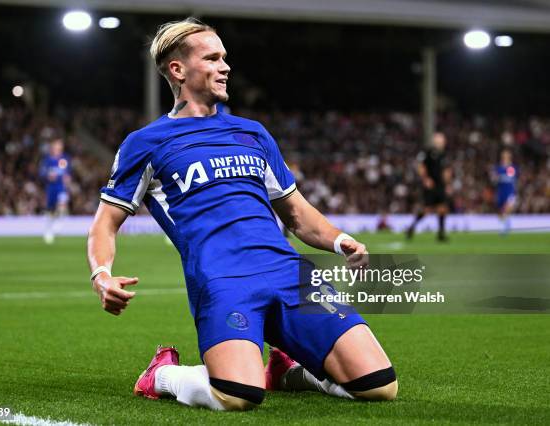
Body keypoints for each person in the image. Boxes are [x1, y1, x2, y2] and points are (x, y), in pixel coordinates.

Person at [87, 18, 397, 411]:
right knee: (238, 396)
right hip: (223, 280)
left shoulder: (252, 133)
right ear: (178, 70)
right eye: (212, 58)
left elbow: (297, 213)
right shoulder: (146, 144)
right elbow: (105, 222)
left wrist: (340, 240)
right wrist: (102, 275)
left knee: (379, 385)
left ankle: (289, 373)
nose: (225, 66)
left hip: (288, 273)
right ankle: (162, 375)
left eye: (225, 57)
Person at [406, 131, 451, 242]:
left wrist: (447, 184)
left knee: (443, 208)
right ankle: (411, 227)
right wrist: (425, 179)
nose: (442, 142)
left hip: (440, 185)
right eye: (440, 140)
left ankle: (441, 234)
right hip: (430, 185)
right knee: (427, 209)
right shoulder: (427, 152)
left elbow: (447, 170)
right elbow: (421, 166)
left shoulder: (444, 154)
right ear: (435, 141)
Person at [40, 138, 70, 244]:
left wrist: (67, 178)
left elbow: (67, 172)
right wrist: (48, 176)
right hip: (51, 188)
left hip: (61, 187)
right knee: (50, 210)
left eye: (60, 146)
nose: (59, 148)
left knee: (62, 203)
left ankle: (58, 225)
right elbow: (42, 173)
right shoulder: (48, 160)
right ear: (53, 147)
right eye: (57, 146)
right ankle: (48, 231)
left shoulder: (64, 159)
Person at [493, 149, 518, 235]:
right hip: (500, 192)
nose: (504, 157)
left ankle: (505, 228)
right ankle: (506, 224)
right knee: (500, 212)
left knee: (506, 209)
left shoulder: (512, 168)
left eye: (506, 156)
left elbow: (513, 178)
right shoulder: (498, 168)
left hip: (510, 192)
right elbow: (495, 180)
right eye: (503, 156)